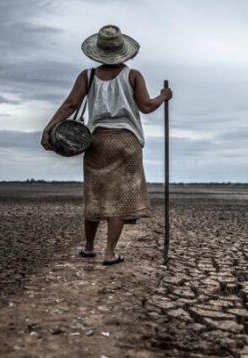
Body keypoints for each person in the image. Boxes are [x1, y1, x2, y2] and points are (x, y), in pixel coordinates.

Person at [41, 25, 172, 265]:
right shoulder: (132, 75)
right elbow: (146, 106)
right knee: (120, 200)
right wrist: (162, 97)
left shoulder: (87, 76)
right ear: (124, 51)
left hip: (97, 141)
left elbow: (71, 104)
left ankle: (89, 248)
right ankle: (110, 253)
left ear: (98, 51)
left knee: (95, 194)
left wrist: (49, 128)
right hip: (127, 141)